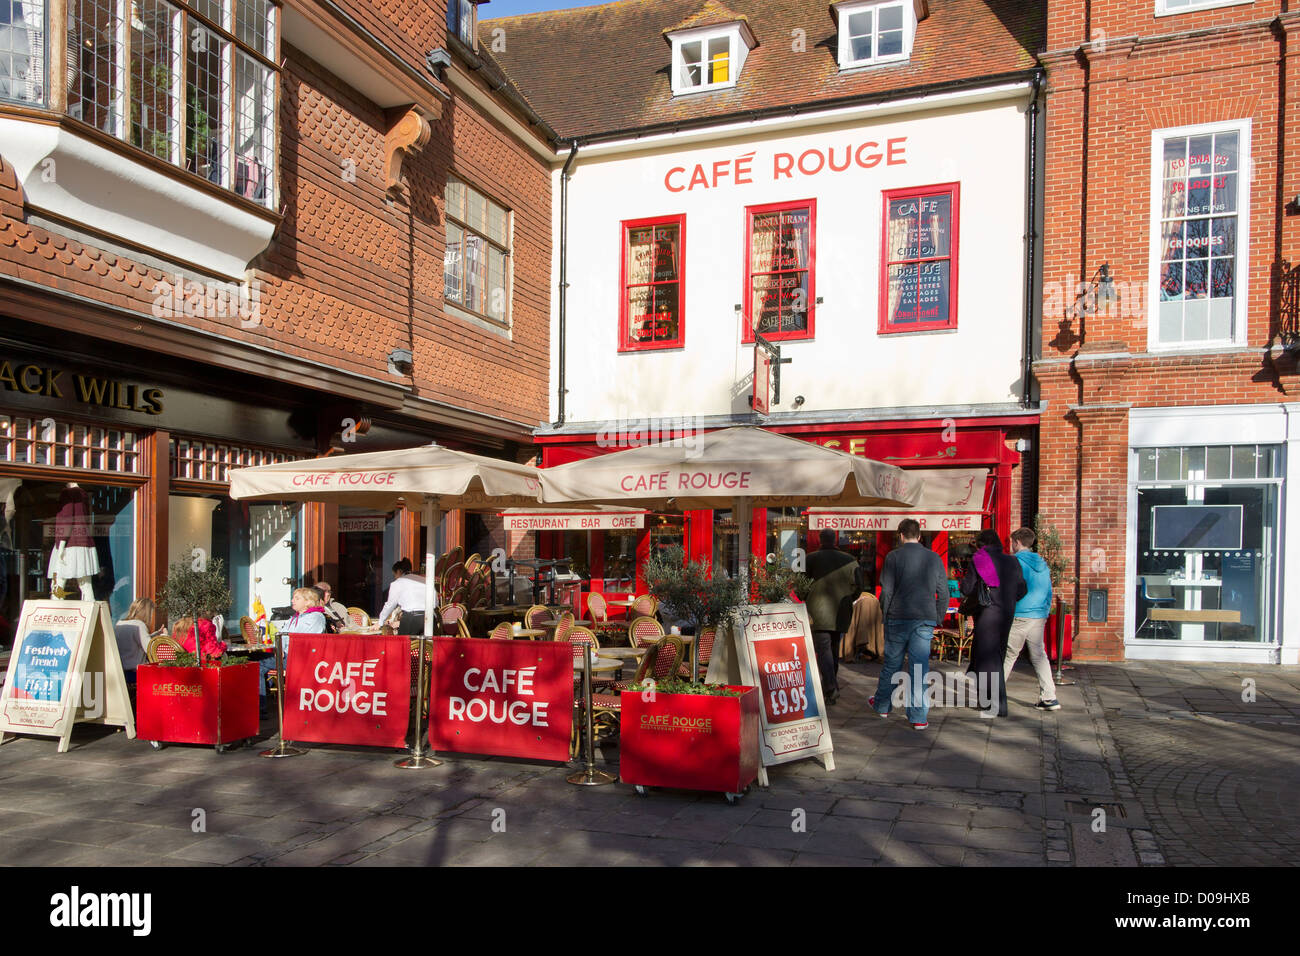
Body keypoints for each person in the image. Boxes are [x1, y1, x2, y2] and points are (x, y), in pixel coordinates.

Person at [872, 519, 949, 729]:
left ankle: (882, 705)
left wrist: (885, 614)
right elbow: (944, 592)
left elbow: (886, 591)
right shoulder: (934, 558)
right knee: (919, 668)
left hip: (897, 617)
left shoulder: (893, 556)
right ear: (920, 535)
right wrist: (938, 617)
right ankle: (918, 717)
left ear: (900, 535)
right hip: (924, 618)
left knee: (892, 664)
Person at [962, 528, 1026, 719]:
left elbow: (967, 588)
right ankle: (990, 700)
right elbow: (1023, 589)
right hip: (1006, 614)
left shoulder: (980, 559)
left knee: (987, 658)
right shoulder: (1012, 561)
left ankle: (996, 703)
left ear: (981, 544)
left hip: (987, 614)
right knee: (997, 655)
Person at [1004, 527, 1060, 711]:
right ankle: (1049, 697)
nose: (1011, 546)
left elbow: (1010, 589)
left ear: (1017, 542)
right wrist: (1044, 611)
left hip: (1020, 614)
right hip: (1038, 615)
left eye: (1012, 542)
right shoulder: (1042, 564)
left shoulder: (1014, 562)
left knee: (1009, 655)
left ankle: (993, 695)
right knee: (1039, 656)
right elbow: (1049, 590)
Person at [804, 529, 861, 705]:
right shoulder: (850, 560)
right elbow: (859, 586)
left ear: (820, 540)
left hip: (817, 612)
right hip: (841, 612)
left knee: (823, 651)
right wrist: (848, 599)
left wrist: (806, 599)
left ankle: (830, 687)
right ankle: (831, 686)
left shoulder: (810, 558)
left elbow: (800, 584)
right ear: (835, 539)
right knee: (833, 650)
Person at [259, 587, 327, 715]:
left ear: (308, 602)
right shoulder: (295, 617)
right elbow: (281, 633)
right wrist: (279, 648)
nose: (292, 601)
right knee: (254, 659)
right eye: (293, 598)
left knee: (258, 665)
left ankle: (261, 709)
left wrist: (284, 648)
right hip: (287, 655)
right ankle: (260, 703)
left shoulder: (315, 618)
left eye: (297, 598)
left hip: (299, 659)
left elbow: (306, 640)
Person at [376, 558, 427, 636]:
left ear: (399, 571)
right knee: (427, 647)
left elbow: (390, 605)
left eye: (395, 575)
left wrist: (380, 622)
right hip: (429, 617)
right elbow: (435, 601)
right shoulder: (423, 580)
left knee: (404, 646)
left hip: (412, 618)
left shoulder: (397, 583)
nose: (395, 577)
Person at [114, 598, 160, 677]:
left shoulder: (119, 624)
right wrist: (163, 637)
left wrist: (156, 634)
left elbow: (132, 640)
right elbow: (150, 649)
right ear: (147, 613)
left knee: (90, 685)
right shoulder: (140, 625)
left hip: (120, 672)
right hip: (136, 673)